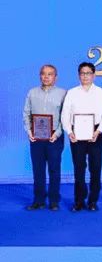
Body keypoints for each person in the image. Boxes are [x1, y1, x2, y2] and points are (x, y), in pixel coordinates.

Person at [61, 62, 102, 212]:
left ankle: (93, 201)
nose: (85, 76)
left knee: (95, 168)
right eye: (82, 73)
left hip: (95, 132)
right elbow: (65, 114)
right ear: (79, 75)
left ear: (94, 75)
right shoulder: (72, 93)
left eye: (88, 73)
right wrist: (69, 131)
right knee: (79, 168)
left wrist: (98, 131)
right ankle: (79, 201)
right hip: (76, 133)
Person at [22, 64, 67, 211]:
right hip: (36, 137)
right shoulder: (32, 92)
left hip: (54, 136)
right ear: (40, 76)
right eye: (43, 73)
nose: (46, 77)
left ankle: (54, 201)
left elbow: (65, 117)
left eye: (50, 74)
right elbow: (26, 113)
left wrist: (57, 133)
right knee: (38, 170)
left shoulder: (63, 93)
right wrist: (29, 131)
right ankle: (38, 200)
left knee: (54, 169)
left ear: (55, 77)